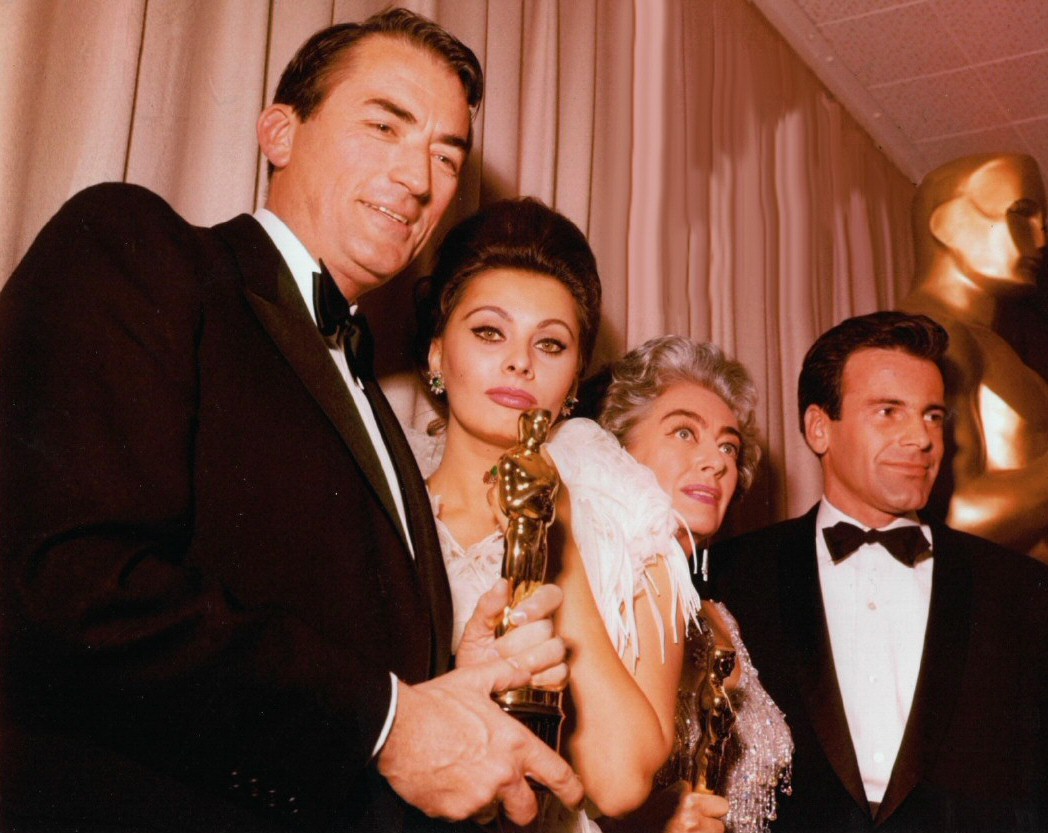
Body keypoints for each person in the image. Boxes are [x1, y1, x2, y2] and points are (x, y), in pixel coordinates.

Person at [0, 10, 583, 833]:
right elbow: (59, 583)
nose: (418, 178)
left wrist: (449, 680)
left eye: (445, 155)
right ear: (279, 131)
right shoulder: (137, 247)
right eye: (385, 124)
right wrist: (388, 718)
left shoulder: (381, 405)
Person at [407, 199, 708, 831]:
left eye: (551, 343)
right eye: (489, 332)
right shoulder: (377, 508)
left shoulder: (637, 531)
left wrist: (552, 526)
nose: (520, 362)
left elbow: (621, 780)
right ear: (437, 354)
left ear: (574, 380)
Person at [709, 311, 1048, 832]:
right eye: (889, 411)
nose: (922, 438)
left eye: (933, 415)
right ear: (819, 427)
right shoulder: (732, 577)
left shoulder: (1019, 589)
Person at [596, 337, 792, 833]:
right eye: (685, 433)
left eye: (728, 445)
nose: (717, 461)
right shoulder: (600, 593)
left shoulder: (722, 618)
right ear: (618, 449)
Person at [900, 153, 1048, 562]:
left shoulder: (991, 345)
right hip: (995, 605)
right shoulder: (929, 331)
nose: (1040, 240)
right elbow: (951, 516)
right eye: (1021, 215)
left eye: (1043, 224)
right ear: (948, 223)